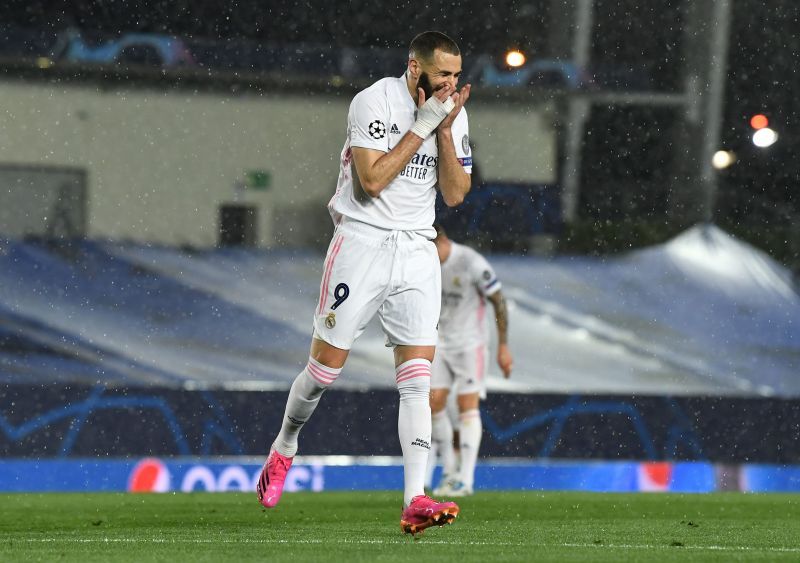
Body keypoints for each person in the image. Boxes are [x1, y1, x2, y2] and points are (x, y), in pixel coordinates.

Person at [256, 31, 473, 537]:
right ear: (414, 68)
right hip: (362, 243)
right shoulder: (373, 101)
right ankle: (285, 445)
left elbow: (457, 194)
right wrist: (421, 126)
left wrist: (443, 129)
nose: (451, 85)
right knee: (323, 372)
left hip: (418, 249)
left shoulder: (452, 113)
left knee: (418, 379)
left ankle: (415, 499)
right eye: (443, 74)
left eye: (457, 76)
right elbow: (369, 182)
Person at [429, 223, 512, 496]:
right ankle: (450, 471)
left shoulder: (471, 262)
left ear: (441, 240)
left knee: (467, 405)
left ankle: (466, 478)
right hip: (440, 342)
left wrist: (503, 347)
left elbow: (498, 301)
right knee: (433, 403)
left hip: (470, 344)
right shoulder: (424, 262)